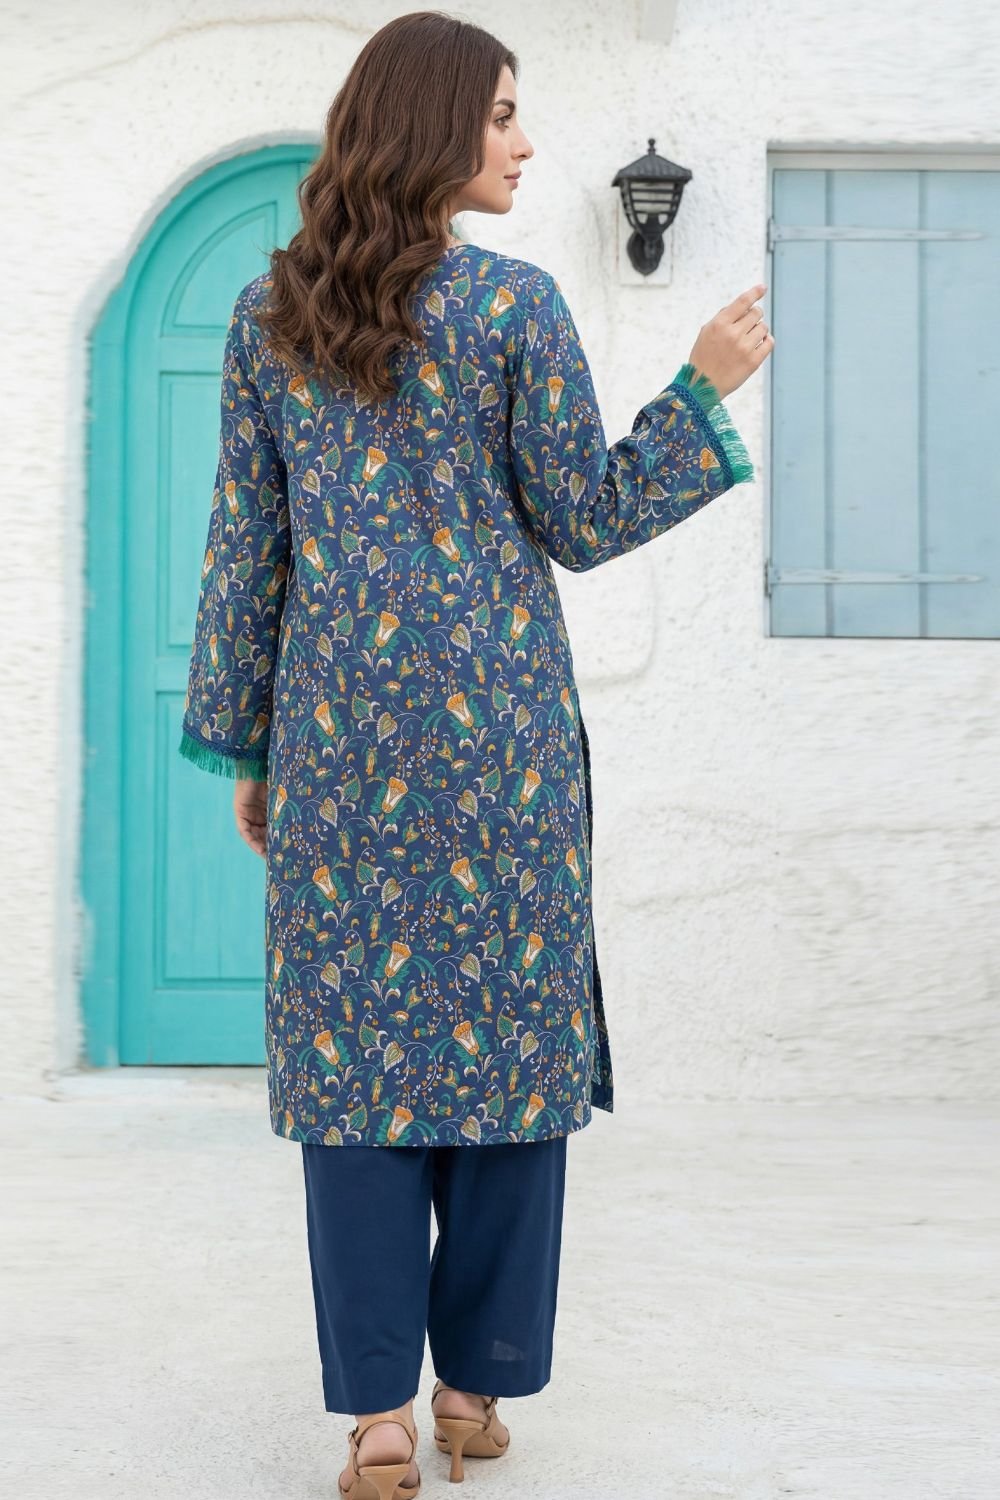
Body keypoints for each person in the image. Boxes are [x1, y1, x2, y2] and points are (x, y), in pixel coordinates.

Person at [177, 12, 772, 1499]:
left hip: (336, 741)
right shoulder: (515, 307)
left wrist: (249, 746)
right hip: (501, 750)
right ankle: (471, 1394)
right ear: (435, 124)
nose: (524, 141)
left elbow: (247, 549)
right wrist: (701, 388)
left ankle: (376, 1420)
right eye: (503, 114)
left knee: (354, 1065)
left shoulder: (267, 316)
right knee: (507, 1052)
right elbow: (584, 516)